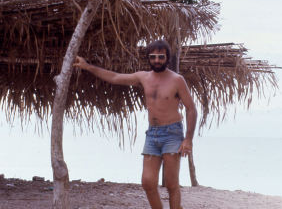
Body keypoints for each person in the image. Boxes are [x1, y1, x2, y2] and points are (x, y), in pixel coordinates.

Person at [73, 40, 197, 209]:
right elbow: (115, 77)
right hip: (152, 134)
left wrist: (188, 139)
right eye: (153, 57)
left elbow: (191, 109)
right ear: (148, 58)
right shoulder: (143, 77)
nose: (157, 60)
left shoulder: (177, 80)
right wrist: (88, 67)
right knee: (147, 182)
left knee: (171, 184)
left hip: (172, 133)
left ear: (167, 58)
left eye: (161, 57)